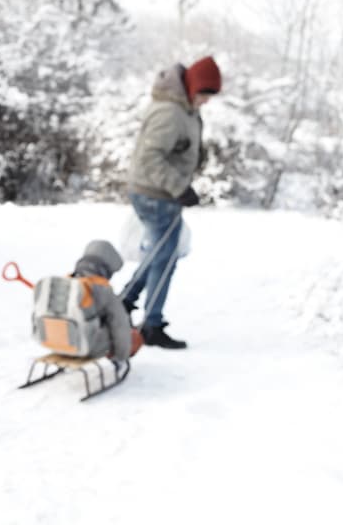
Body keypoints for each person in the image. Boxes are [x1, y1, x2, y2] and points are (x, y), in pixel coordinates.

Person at [121, 56, 221, 350]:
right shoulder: (171, 112)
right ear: (193, 86)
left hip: (158, 192)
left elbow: (177, 146)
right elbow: (149, 157)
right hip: (156, 195)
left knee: (159, 253)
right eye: (205, 94)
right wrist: (180, 187)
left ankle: (126, 301)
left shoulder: (184, 109)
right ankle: (151, 324)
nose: (206, 101)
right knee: (165, 258)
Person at [32, 240, 137, 365]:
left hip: (50, 342)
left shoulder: (66, 282)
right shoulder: (102, 288)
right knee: (114, 326)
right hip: (85, 346)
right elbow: (120, 324)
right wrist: (121, 355)